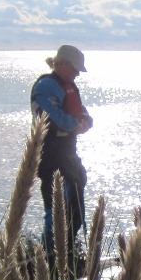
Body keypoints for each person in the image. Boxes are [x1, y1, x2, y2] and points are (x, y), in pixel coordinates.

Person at [30, 44, 92, 260]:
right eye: (75, 69)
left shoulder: (69, 86)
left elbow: (82, 113)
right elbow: (51, 117)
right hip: (51, 156)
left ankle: (67, 254)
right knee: (56, 212)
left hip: (69, 155)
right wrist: (76, 124)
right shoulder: (45, 87)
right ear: (63, 64)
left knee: (75, 212)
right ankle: (49, 258)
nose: (77, 74)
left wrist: (84, 121)